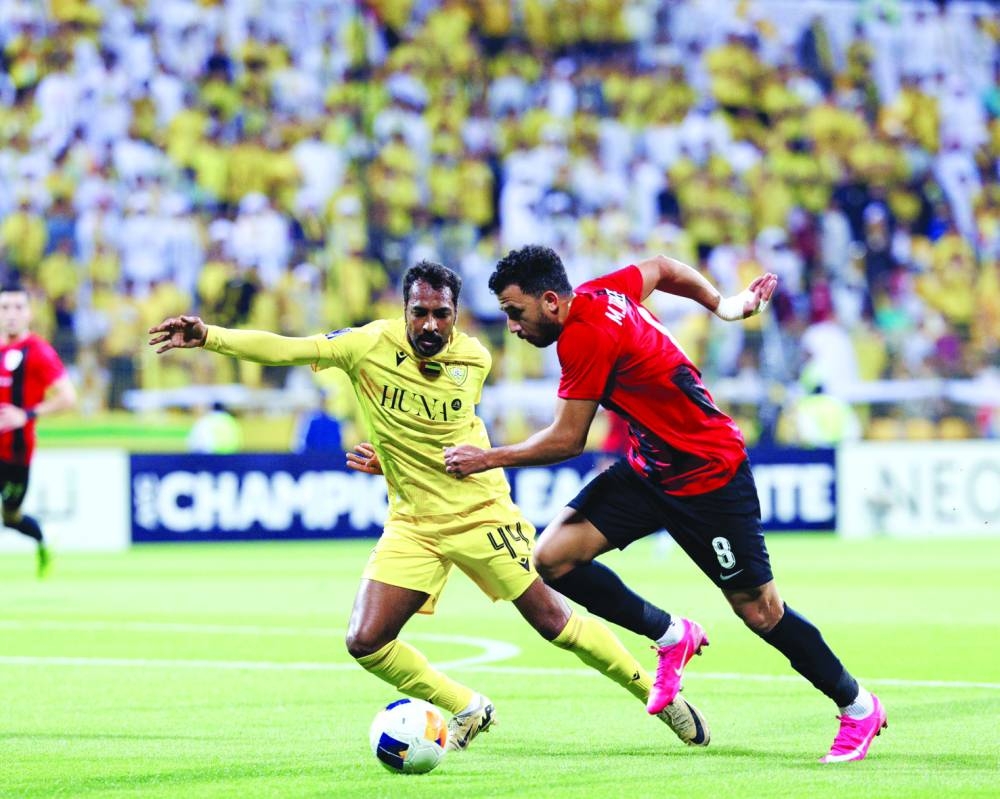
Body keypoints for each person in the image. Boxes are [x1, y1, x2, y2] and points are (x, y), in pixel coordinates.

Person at [149, 260, 710, 752]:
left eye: (442, 315)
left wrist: (401, 456)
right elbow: (289, 350)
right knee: (365, 641)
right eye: (420, 313)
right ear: (404, 311)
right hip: (413, 521)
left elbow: (450, 430)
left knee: (550, 621)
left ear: (457, 316)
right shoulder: (366, 344)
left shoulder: (476, 359)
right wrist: (209, 337)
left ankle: (654, 690)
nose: (430, 326)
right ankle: (467, 705)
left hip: (480, 513)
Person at [443, 245, 887, 764]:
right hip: (653, 469)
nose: (513, 326)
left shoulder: (584, 335)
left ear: (549, 301)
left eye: (515, 313)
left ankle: (858, 706)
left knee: (761, 612)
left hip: (709, 476)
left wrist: (486, 458)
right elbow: (662, 267)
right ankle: (671, 633)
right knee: (553, 557)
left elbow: (567, 440)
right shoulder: (600, 292)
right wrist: (723, 305)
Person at [0, 284, 77, 577]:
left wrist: (27, 414)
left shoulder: (38, 352)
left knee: (11, 518)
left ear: (29, 313)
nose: (11, 315)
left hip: (16, 455)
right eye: (5, 307)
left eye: (18, 308)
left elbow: (68, 397)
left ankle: (43, 540)